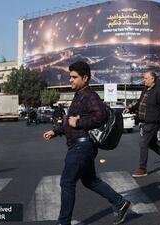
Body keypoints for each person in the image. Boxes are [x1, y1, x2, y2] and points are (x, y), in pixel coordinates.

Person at [43, 61, 131, 225]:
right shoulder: (79, 95)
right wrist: (56, 131)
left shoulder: (90, 95)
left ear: (85, 78)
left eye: (74, 77)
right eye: (70, 77)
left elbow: (100, 116)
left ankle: (63, 222)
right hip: (79, 145)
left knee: (67, 182)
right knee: (90, 181)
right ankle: (121, 203)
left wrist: (80, 122)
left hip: (82, 146)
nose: (71, 80)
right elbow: (70, 121)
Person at [124, 72, 160, 177]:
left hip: (153, 122)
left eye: (146, 78)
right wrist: (130, 108)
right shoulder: (145, 90)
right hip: (145, 121)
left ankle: (142, 169)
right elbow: (139, 103)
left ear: (153, 79)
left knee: (143, 143)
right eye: (144, 78)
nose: (144, 80)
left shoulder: (159, 90)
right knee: (151, 144)